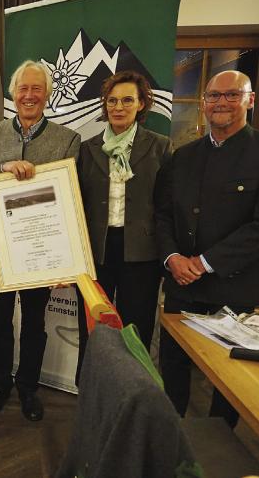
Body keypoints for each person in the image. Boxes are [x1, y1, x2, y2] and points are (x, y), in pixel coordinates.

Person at [155, 70, 259, 427]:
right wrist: (172, 259)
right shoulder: (182, 155)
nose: (222, 103)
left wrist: (202, 262)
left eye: (232, 95)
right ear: (203, 103)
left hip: (235, 286)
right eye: (214, 96)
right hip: (181, 283)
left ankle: (221, 442)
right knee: (173, 365)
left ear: (251, 100)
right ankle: (171, 434)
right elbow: (163, 215)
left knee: (229, 377)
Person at [0, 60, 81, 422]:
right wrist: (2, 168)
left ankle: (28, 388)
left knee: (36, 322)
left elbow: (71, 199)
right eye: (23, 89)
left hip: (42, 250)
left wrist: (67, 259)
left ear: (47, 94)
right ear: (13, 93)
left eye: (37, 89)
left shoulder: (68, 140)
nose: (29, 95)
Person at [76, 71, 172, 372]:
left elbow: (167, 206)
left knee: (136, 326)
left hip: (141, 252)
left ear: (141, 104)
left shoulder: (160, 146)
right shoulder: (87, 148)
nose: (118, 107)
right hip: (96, 250)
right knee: (93, 325)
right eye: (112, 101)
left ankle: (134, 391)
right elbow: (77, 203)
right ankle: (92, 388)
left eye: (127, 100)